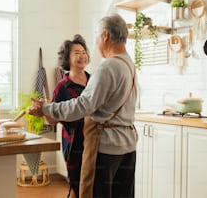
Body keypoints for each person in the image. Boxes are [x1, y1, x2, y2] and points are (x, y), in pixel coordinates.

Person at [29, 14, 137, 198]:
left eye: (96, 36)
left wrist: (46, 108)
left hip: (106, 148)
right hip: (127, 146)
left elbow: (83, 105)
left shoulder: (108, 66)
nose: (95, 43)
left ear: (104, 36)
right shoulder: (129, 64)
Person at [52, 34, 91, 198]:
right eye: (76, 52)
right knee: (76, 183)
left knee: (91, 184)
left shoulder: (94, 81)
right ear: (67, 58)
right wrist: (42, 109)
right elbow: (52, 118)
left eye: (83, 52)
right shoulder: (62, 86)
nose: (82, 56)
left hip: (94, 140)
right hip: (73, 142)